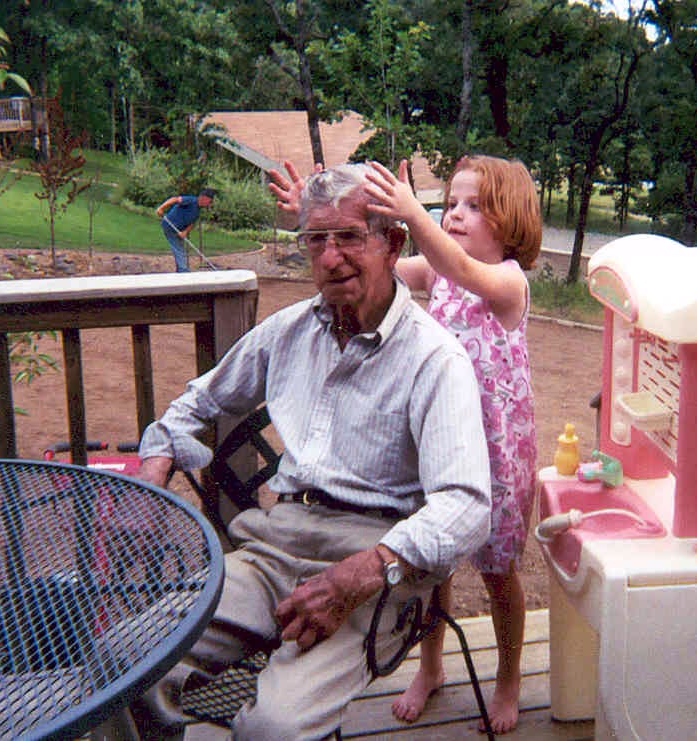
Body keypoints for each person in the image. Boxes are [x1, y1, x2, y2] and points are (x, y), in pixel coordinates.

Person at [105, 163, 492, 740]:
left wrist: (363, 572)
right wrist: (153, 469)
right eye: (316, 239)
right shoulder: (288, 332)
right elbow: (197, 402)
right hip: (273, 546)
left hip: (375, 567)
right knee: (124, 657)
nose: (331, 258)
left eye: (349, 237)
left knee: (273, 730)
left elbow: (467, 505)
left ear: (392, 244)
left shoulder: (435, 360)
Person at [269, 154, 541, 734]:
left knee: (499, 576)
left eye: (474, 206)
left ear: (511, 219)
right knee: (434, 564)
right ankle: (431, 666)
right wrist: (319, 217)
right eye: (451, 203)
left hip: (495, 457)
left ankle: (509, 679)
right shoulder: (436, 272)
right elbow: (380, 258)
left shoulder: (507, 281)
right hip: (438, 447)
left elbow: (460, 267)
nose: (454, 214)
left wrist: (417, 214)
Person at [155, 187, 215, 272]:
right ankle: (183, 270)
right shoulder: (190, 200)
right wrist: (161, 208)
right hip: (169, 224)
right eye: (209, 201)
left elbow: (191, 223)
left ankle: (181, 269)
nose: (208, 204)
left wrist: (185, 232)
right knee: (178, 247)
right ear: (203, 197)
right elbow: (174, 199)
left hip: (179, 229)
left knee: (179, 248)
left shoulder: (197, 210)